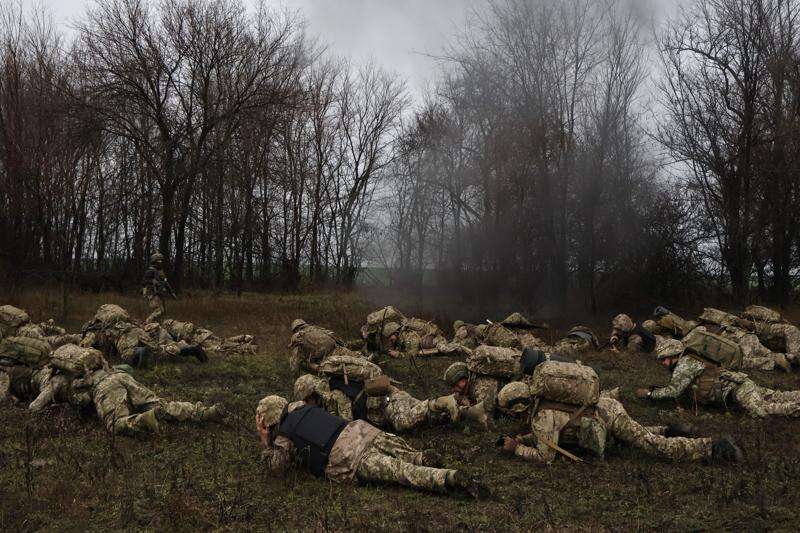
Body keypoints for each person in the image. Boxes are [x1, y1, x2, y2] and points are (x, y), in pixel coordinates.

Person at [255, 395, 488, 497]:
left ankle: (447, 478)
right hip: (363, 431)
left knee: (402, 473)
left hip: (350, 457)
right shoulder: (301, 406)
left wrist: (266, 441)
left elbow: (277, 470)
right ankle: (419, 456)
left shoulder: (283, 437)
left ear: (269, 421)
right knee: (406, 456)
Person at [497, 377, 742, 464]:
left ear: (518, 407)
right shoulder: (542, 402)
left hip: (608, 416)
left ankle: (713, 447)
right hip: (605, 408)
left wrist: (517, 448)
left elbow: (546, 457)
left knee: (652, 446)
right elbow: (554, 430)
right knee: (641, 434)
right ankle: (670, 429)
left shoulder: (540, 417)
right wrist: (526, 438)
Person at [637, 334, 800, 418]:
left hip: (737, 390)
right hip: (739, 383)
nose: (663, 363)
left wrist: (650, 394)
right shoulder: (690, 359)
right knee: (777, 395)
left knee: (763, 410)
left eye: (664, 359)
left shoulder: (685, 364)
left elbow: (673, 391)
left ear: (674, 355)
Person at [70, 349, 224, 436]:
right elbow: (127, 368)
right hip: (121, 375)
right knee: (160, 404)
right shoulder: (92, 354)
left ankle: (145, 419)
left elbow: (80, 400)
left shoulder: (66, 371)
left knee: (115, 424)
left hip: (104, 385)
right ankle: (204, 412)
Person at [292, 373, 487, 432]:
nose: (308, 405)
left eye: (307, 400)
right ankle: (472, 412)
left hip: (388, 402)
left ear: (312, 395)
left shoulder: (335, 396)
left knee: (403, 422)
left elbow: (347, 425)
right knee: (431, 419)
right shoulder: (330, 396)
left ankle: (443, 401)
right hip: (389, 400)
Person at [142, 253, 174, 323]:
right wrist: (152, 281)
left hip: (159, 293)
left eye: (161, 261)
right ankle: (147, 323)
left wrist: (171, 292)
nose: (161, 263)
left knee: (163, 312)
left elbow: (165, 282)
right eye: (159, 261)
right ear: (154, 262)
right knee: (159, 311)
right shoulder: (150, 271)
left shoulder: (161, 272)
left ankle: (156, 325)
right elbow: (144, 282)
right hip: (152, 293)